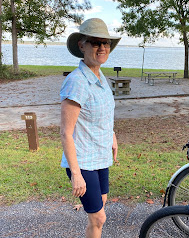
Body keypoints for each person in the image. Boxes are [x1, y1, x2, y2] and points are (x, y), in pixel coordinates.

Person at [60, 18, 121, 238]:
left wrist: (112, 135)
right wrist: (76, 173)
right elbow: (66, 132)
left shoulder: (100, 76)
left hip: (100, 155)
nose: (102, 47)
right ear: (81, 45)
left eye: (105, 42)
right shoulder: (77, 81)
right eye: (95, 42)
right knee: (98, 217)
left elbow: (104, 112)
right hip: (83, 160)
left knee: (100, 209)